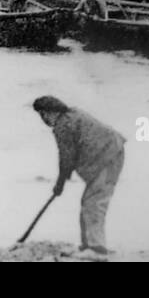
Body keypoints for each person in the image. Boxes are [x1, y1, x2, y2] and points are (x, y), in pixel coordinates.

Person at [32, 96, 125, 257]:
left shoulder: (63, 125)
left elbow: (67, 158)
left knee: (93, 203)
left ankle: (97, 249)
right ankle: (89, 245)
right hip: (110, 154)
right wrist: (62, 181)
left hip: (106, 158)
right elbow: (71, 156)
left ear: (51, 112)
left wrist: (60, 183)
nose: (43, 119)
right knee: (89, 201)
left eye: (43, 114)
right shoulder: (72, 115)